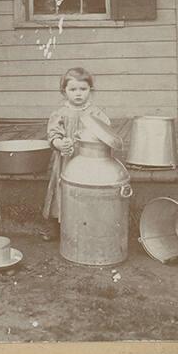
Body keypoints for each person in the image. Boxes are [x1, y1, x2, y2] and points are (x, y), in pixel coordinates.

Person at [41, 67, 111, 239]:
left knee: (88, 190)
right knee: (62, 189)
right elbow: (53, 133)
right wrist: (59, 143)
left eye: (83, 89)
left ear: (90, 90)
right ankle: (56, 226)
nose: (78, 94)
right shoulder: (60, 113)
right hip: (66, 159)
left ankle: (87, 225)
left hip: (90, 159)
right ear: (64, 91)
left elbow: (106, 133)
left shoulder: (96, 113)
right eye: (73, 89)